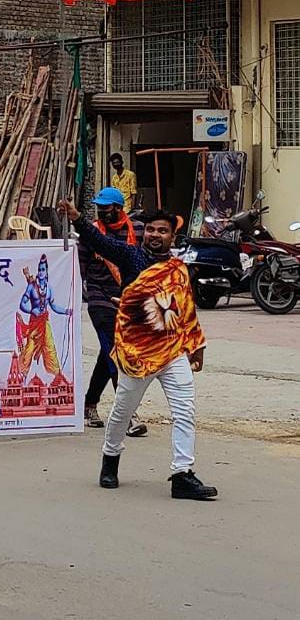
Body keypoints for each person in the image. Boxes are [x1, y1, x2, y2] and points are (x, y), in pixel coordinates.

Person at [58, 199, 216, 500]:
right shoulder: (130, 256)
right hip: (137, 354)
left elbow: (186, 309)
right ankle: (110, 458)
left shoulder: (178, 270)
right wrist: (78, 219)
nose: (155, 235)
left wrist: (198, 344)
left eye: (163, 231)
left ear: (173, 238)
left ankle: (182, 474)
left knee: (185, 411)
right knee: (121, 412)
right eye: (152, 230)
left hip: (172, 351)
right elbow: (100, 243)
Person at [81, 188, 147, 437]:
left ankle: (89, 403)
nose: (102, 211)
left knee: (107, 352)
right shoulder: (91, 234)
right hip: (100, 297)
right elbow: (80, 266)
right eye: (99, 207)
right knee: (116, 352)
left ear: (119, 208)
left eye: (106, 207)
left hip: (128, 299)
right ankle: (127, 414)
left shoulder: (138, 230)